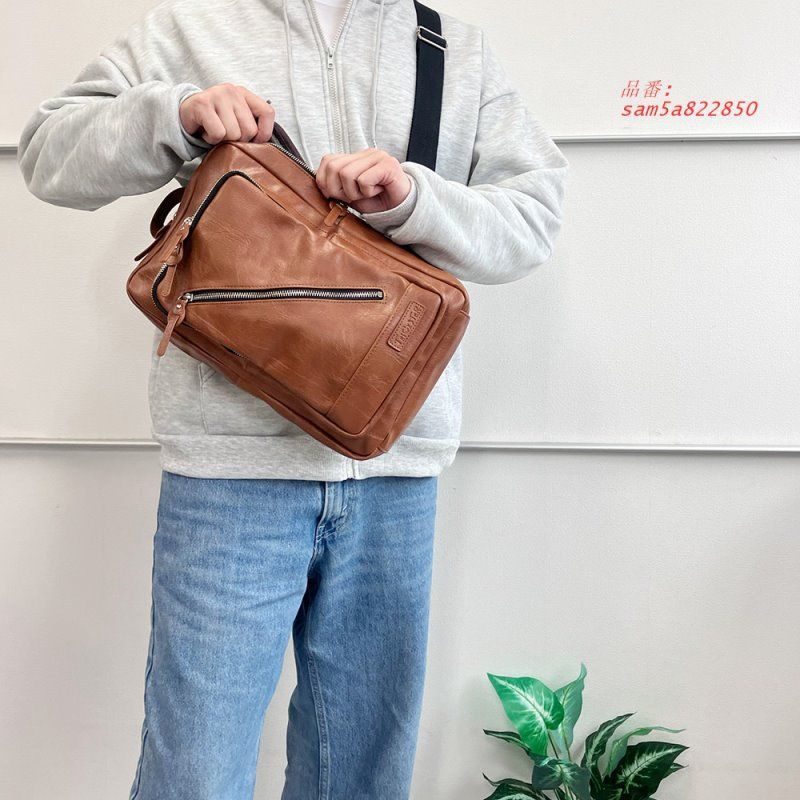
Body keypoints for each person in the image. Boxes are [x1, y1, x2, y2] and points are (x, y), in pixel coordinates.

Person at [17, 0, 569, 797]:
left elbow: (535, 215)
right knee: (195, 772)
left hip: (395, 466)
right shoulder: (190, 29)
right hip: (228, 471)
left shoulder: (451, 48)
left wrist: (412, 200)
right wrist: (175, 114)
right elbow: (48, 155)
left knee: (364, 774)